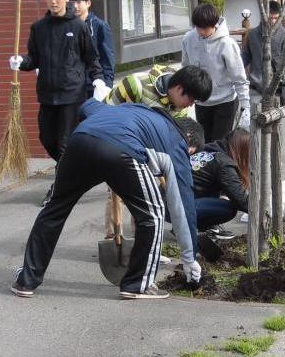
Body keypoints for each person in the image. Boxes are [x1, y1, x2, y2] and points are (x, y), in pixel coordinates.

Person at [11, 99, 201, 299]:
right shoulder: (176, 142)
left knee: (54, 209)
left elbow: (86, 106)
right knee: (153, 215)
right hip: (122, 151)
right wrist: (189, 257)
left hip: (80, 142)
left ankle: (26, 280)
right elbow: (182, 204)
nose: (188, 157)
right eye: (192, 152)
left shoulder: (127, 109)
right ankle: (138, 285)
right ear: (189, 137)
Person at [8, 0, 105, 207]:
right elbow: (35, 59)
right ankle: (77, 170)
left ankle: (58, 192)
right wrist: (20, 61)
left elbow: (92, 58)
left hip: (72, 94)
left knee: (63, 143)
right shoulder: (39, 28)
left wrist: (99, 80)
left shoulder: (79, 27)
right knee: (47, 138)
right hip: (47, 94)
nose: (53, 1)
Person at [102, 65, 212, 239]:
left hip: (148, 154)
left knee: (147, 196)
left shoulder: (180, 108)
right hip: (118, 146)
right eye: (191, 99)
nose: (191, 104)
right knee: (118, 194)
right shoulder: (135, 85)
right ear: (179, 88)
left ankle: (142, 242)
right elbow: (103, 114)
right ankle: (113, 239)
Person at [182, 3, 250, 141]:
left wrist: (245, 106)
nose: (201, 32)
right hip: (201, 101)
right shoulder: (188, 39)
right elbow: (186, 69)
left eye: (205, 28)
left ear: (215, 25)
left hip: (225, 101)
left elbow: (239, 78)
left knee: (220, 145)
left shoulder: (227, 44)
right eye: (198, 27)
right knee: (203, 143)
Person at [190, 128, 251, 254]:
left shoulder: (208, 149)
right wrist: (263, 210)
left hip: (167, 199)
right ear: (241, 149)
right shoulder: (224, 164)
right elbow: (240, 199)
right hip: (180, 206)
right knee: (229, 209)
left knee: (219, 197)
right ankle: (188, 227)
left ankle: (194, 226)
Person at [242, 0, 285, 105]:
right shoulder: (252, 34)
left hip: (279, 85)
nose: (272, 21)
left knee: (275, 119)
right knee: (254, 118)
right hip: (256, 84)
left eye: (276, 18)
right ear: (263, 16)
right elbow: (246, 55)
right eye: (270, 18)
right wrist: (233, 68)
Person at [71, 0, 115, 94]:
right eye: (73, 2)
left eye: (78, 2)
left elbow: (108, 57)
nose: (75, 6)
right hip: (73, 86)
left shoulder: (99, 26)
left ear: (88, 3)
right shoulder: (69, 26)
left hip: (95, 84)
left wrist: (107, 85)